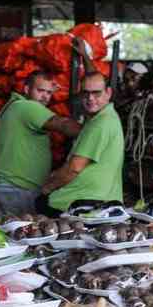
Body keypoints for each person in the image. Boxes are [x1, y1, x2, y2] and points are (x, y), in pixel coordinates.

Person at [0, 72, 81, 220]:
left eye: (49, 93)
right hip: (17, 186)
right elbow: (63, 125)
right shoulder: (27, 107)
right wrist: (96, 130)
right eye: (40, 91)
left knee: (13, 234)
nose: (45, 96)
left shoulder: (14, 106)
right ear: (26, 89)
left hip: (8, 185)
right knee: (25, 233)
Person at [42, 72, 124, 212]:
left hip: (80, 205)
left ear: (108, 93)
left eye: (96, 93)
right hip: (92, 201)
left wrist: (47, 189)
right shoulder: (104, 117)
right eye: (85, 93)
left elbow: (74, 168)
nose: (90, 98)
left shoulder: (100, 123)